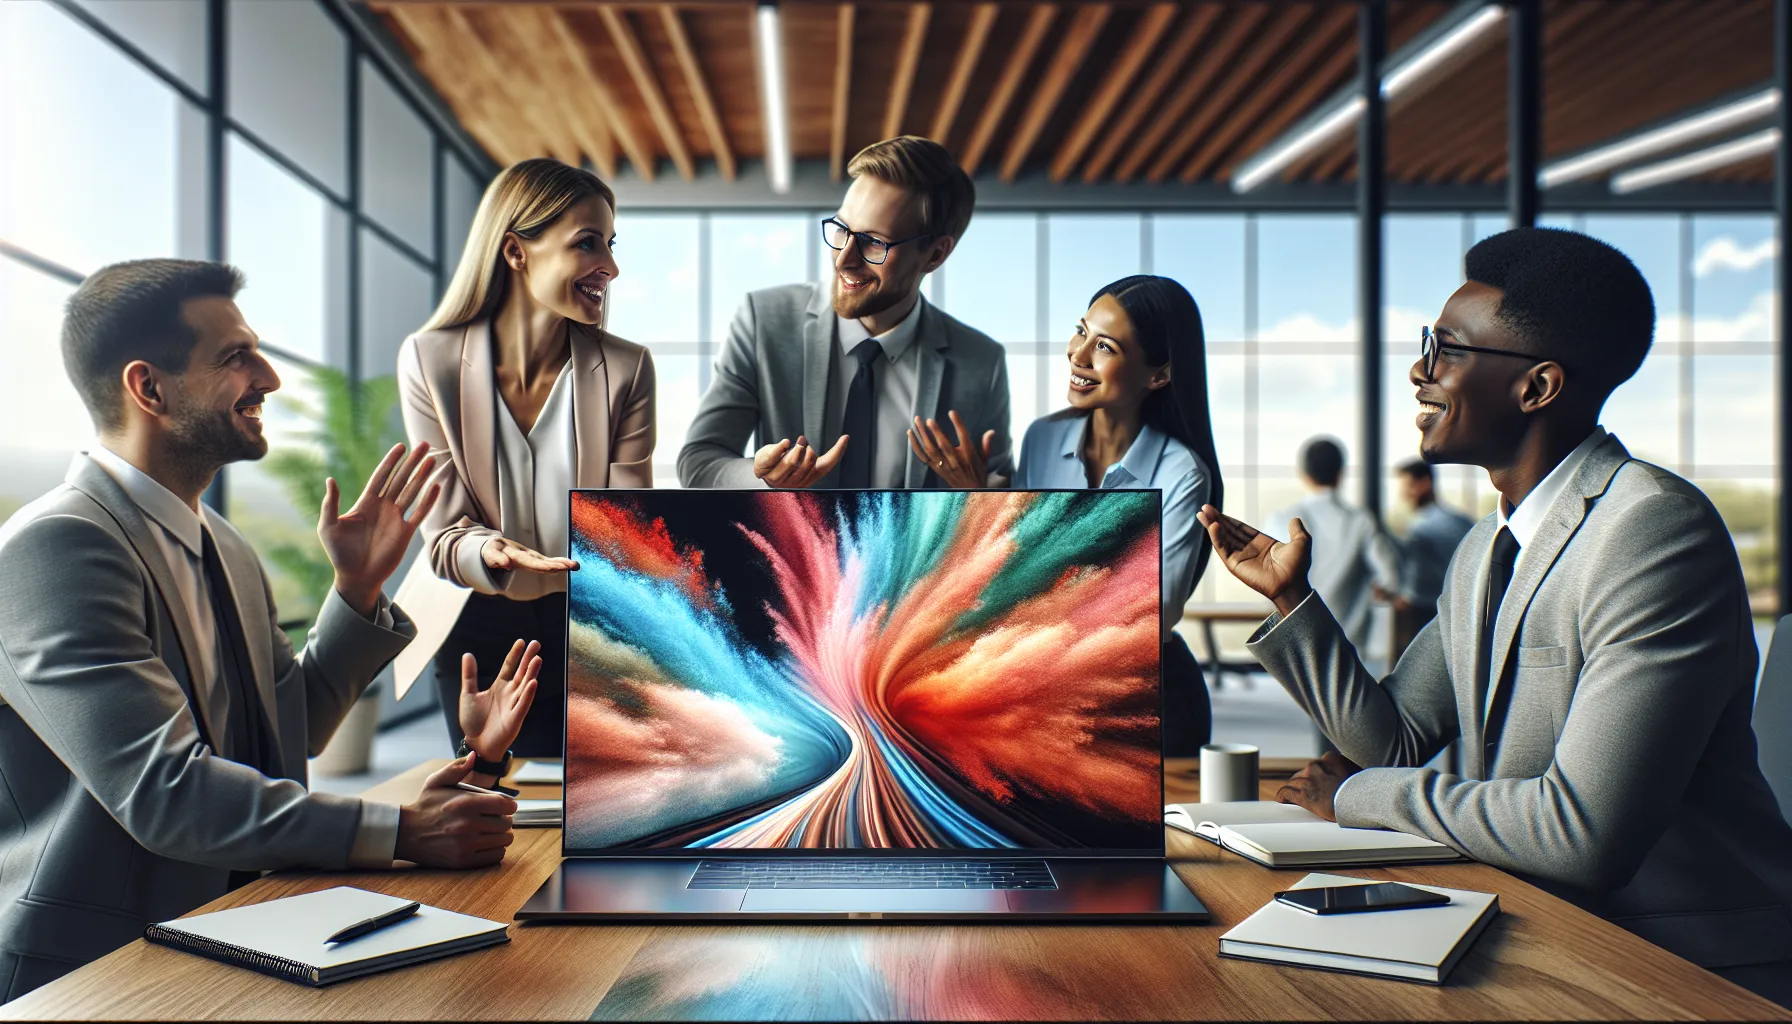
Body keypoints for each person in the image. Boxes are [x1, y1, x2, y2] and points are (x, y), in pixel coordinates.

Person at [1197, 227, 1792, 1007]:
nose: (1420, 371)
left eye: (1445, 349)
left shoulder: (1652, 530)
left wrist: (1356, 797)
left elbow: (1581, 834)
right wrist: (1291, 600)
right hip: (1536, 934)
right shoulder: (1486, 546)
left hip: (1681, 970)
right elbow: (1395, 740)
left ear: (1536, 387)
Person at [0, 259, 540, 1001]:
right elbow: (163, 792)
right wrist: (399, 829)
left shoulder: (225, 545)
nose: (270, 378)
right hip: (98, 971)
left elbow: (293, 731)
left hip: (248, 922)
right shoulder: (58, 545)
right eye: (236, 357)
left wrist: (357, 588)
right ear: (148, 388)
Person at [397, 158, 654, 758]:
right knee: (495, 792)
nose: (611, 267)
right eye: (587, 243)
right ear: (516, 251)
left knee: (591, 794)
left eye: (610, 244)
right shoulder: (431, 360)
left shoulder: (627, 368)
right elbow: (444, 533)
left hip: (588, 621)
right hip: (474, 613)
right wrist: (489, 549)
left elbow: (625, 519)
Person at [918, 275, 1221, 754]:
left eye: (1105, 346)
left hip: (1147, 697)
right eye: (1081, 331)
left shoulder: (1181, 471)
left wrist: (1037, 571)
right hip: (1049, 688)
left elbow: (1154, 613)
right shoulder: (1044, 438)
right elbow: (1009, 563)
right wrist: (980, 500)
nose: (1078, 354)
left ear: (1158, 374)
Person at [678, 135, 1012, 490]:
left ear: (935, 255)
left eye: (874, 242)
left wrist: (976, 494)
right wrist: (762, 480)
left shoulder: (982, 363)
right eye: (841, 229)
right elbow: (699, 462)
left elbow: (1005, 498)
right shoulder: (763, 322)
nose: (843, 259)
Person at [1270, 436, 1400, 662]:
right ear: (1341, 473)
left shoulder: (1282, 518)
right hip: (1350, 641)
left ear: (1303, 474)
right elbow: (1391, 577)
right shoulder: (1361, 521)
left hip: (1295, 638)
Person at [1386, 457, 1475, 628]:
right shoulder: (1463, 521)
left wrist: (1404, 596)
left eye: (1408, 486)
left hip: (1429, 610)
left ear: (1425, 483)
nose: (1403, 494)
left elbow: (1417, 572)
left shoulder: (1422, 527)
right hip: (1464, 607)